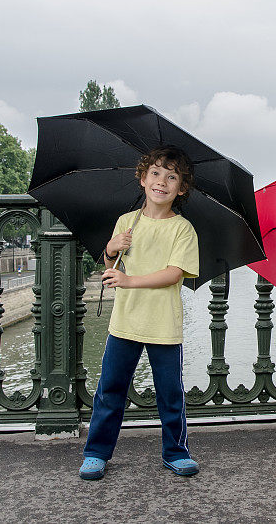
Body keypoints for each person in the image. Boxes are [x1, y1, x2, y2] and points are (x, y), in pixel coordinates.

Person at [79, 146, 200, 480]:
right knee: (110, 389)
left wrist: (129, 280)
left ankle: (176, 452)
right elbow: (112, 268)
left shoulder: (182, 229)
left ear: (182, 187)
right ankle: (96, 452)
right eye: (156, 173)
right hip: (125, 322)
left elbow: (174, 274)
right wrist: (110, 249)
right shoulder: (126, 222)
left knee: (170, 393)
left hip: (163, 324)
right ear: (143, 178)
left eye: (172, 176)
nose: (162, 181)